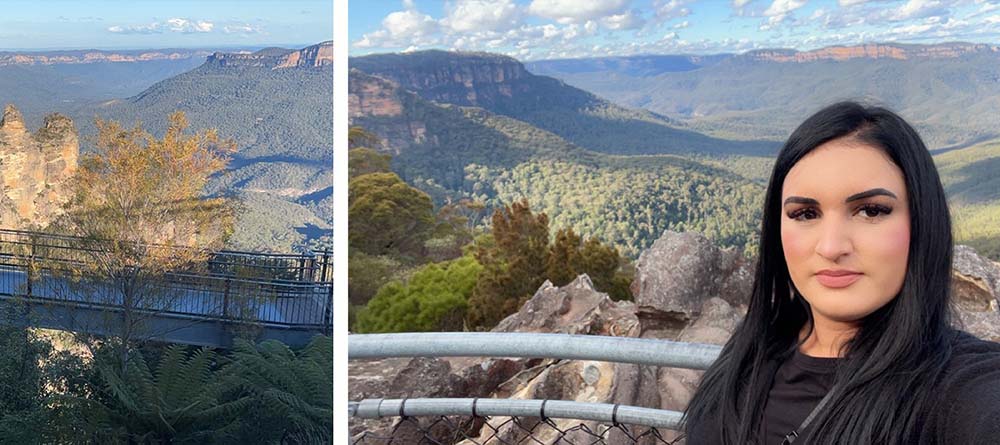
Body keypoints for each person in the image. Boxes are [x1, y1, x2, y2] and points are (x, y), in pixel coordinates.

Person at [681, 101, 1000, 444]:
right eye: (805, 213)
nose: (831, 247)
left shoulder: (958, 386)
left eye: (871, 211)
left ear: (922, 222)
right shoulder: (751, 353)